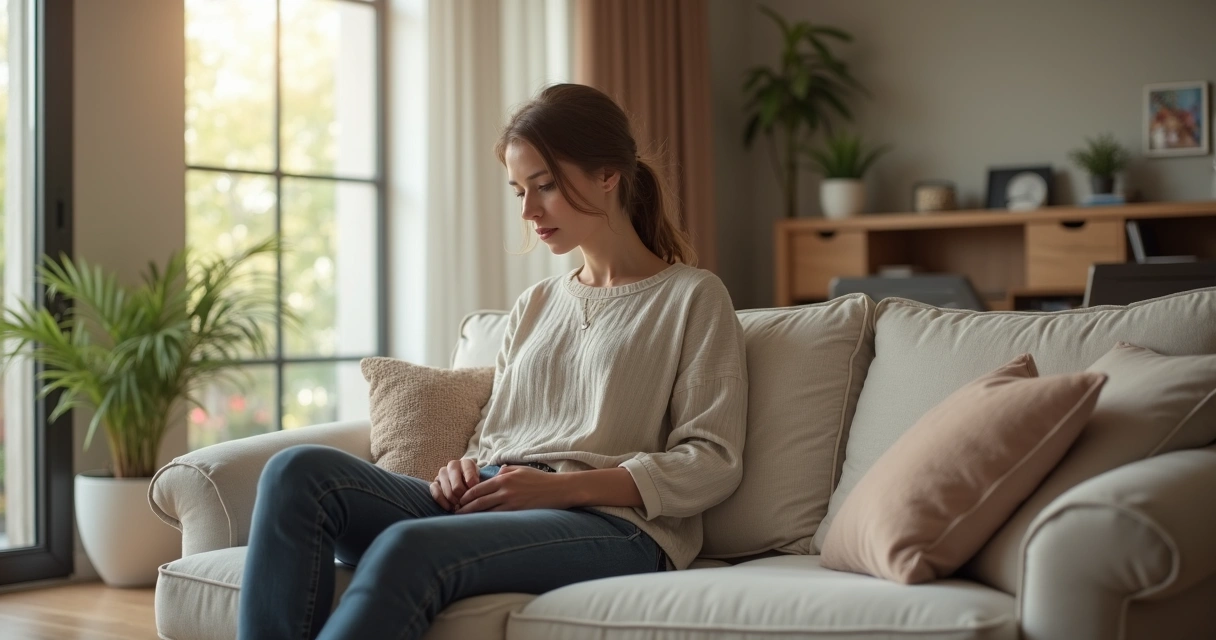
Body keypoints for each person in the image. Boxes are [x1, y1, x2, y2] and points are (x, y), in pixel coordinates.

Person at [237, 83, 748, 640]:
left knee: (409, 546)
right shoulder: (536, 304)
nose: (529, 211)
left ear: (608, 175)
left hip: (612, 526)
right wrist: (462, 466)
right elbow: (496, 434)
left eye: (545, 186)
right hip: (494, 495)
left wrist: (558, 488)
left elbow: (711, 461)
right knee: (295, 473)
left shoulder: (693, 297)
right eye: (518, 191)